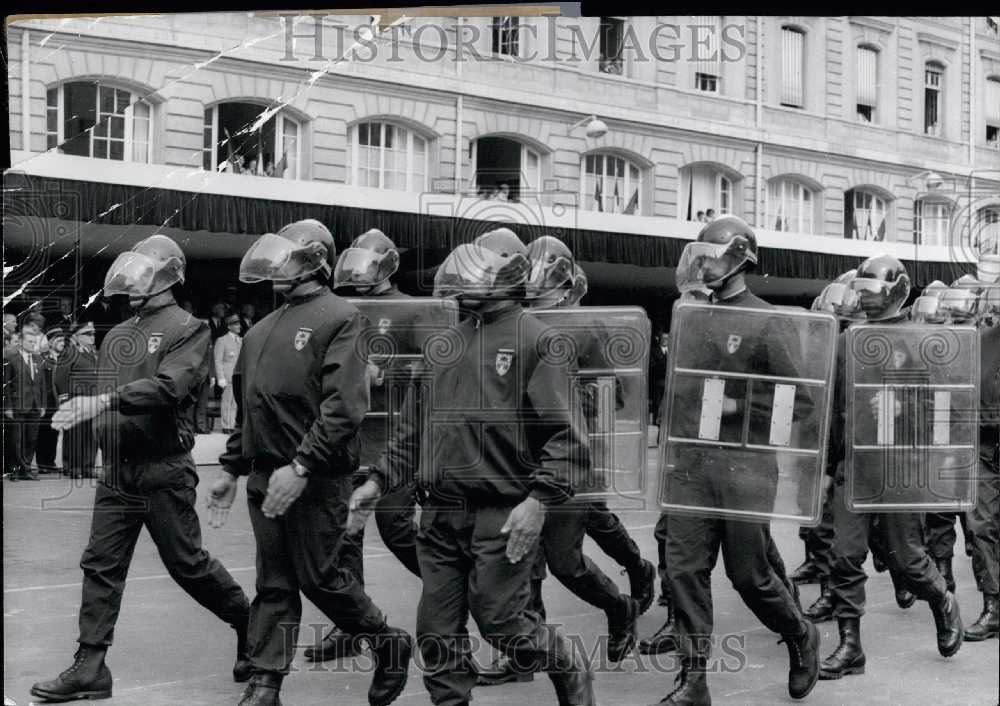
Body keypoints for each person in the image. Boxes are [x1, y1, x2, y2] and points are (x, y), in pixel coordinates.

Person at [347, 238, 596, 706]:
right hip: (440, 513)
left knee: (504, 624)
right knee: (436, 633)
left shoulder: (541, 341)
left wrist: (538, 502)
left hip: (502, 512)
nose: (461, 279)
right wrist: (378, 480)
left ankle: (566, 664)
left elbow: (567, 439)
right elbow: (412, 428)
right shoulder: (445, 344)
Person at [30, 234, 252, 703]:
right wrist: (85, 408)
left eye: (143, 273)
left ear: (167, 276)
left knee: (188, 566)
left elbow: (169, 388)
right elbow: (106, 393)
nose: (132, 282)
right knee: (100, 565)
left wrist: (105, 401)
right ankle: (90, 665)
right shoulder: (120, 332)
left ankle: (248, 622)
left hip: (162, 469)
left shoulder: (189, 328)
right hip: (116, 471)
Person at [207, 220, 412, 706]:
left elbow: (344, 409)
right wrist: (231, 470)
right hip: (265, 477)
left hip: (315, 478)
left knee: (321, 578)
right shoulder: (258, 331)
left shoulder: (343, 318)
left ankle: (388, 642)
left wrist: (301, 466)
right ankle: (266, 682)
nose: (277, 265)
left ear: (312, 260)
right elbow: (251, 409)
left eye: (288, 256)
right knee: (273, 582)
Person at [652, 215, 819, 705]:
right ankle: (693, 679)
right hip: (691, 469)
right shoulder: (690, 316)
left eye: (711, 258)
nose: (702, 268)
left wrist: (738, 407)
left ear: (739, 258)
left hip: (745, 469)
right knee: (682, 569)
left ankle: (799, 633)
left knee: (749, 576)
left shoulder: (767, 319)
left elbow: (799, 403)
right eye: (697, 259)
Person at [477, 234, 650, 687]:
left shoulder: (584, 324)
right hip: (519, 458)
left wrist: (577, 399)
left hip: (566, 455)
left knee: (564, 562)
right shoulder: (516, 320)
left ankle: (620, 606)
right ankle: (523, 655)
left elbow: (617, 390)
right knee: (523, 560)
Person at [818, 254, 964, 681]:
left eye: (874, 291)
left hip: (900, 467)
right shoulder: (848, 340)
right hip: (855, 467)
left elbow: (942, 411)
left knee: (908, 561)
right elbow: (837, 411)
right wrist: (828, 467)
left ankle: (941, 600)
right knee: (844, 557)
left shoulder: (922, 342)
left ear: (896, 291)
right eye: (861, 292)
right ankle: (850, 647)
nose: (866, 299)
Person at [305, 227, 419, 663]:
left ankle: (452, 591)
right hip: (350, 440)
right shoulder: (345, 308)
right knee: (345, 539)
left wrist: (385, 375)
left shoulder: (412, 310)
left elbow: (433, 371)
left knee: (399, 531)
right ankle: (353, 624)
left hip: (392, 441)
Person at [53, 320, 100, 479]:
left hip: (92, 399)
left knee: (90, 433)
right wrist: (64, 397)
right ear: (77, 336)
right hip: (75, 398)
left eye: (93, 333)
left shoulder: (93, 352)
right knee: (75, 433)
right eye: (88, 334)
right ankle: (73, 467)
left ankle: (87, 467)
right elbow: (60, 376)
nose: (92, 337)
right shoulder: (70, 352)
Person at [3, 322, 47, 481]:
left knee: (31, 438)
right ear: (21, 341)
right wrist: (7, 406)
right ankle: (15, 470)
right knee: (16, 440)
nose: (33, 345)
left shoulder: (38, 359)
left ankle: (26, 468)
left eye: (35, 342)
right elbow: (6, 386)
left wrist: (42, 404)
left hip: (35, 405)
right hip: (17, 405)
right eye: (30, 342)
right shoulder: (11, 359)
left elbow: (42, 384)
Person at [35, 325, 65, 474]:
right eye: (59, 340)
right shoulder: (42, 358)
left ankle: (50, 462)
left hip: (58, 401)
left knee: (54, 432)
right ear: (51, 341)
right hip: (46, 401)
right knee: (43, 432)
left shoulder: (64, 358)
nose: (62, 343)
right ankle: (42, 463)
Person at [214, 314, 242, 434]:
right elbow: (218, 360)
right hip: (227, 375)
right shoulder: (222, 340)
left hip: (238, 376)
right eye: (236, 324)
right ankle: (226, 426)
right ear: (229, 326)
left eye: (239, 324)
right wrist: (220, 377)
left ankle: (232, 425)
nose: (239, 326)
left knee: (235, 401)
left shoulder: (241, 340)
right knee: (226, 401)